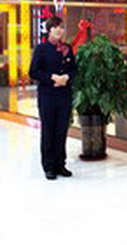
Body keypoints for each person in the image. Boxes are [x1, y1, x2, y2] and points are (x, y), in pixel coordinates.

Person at [30, 16, 77, 180]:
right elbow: (34, 72)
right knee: (48, 131)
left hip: (64, 95)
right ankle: (49, 166)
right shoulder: (41, 48)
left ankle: (60, 164)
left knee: (61, 131)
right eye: (55, 27)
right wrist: (52, 78)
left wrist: (67, 77)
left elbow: (74, 69)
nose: (59, 30)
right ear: (49, 30)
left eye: (61, 27)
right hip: (47, 96)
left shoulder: (67, 48)